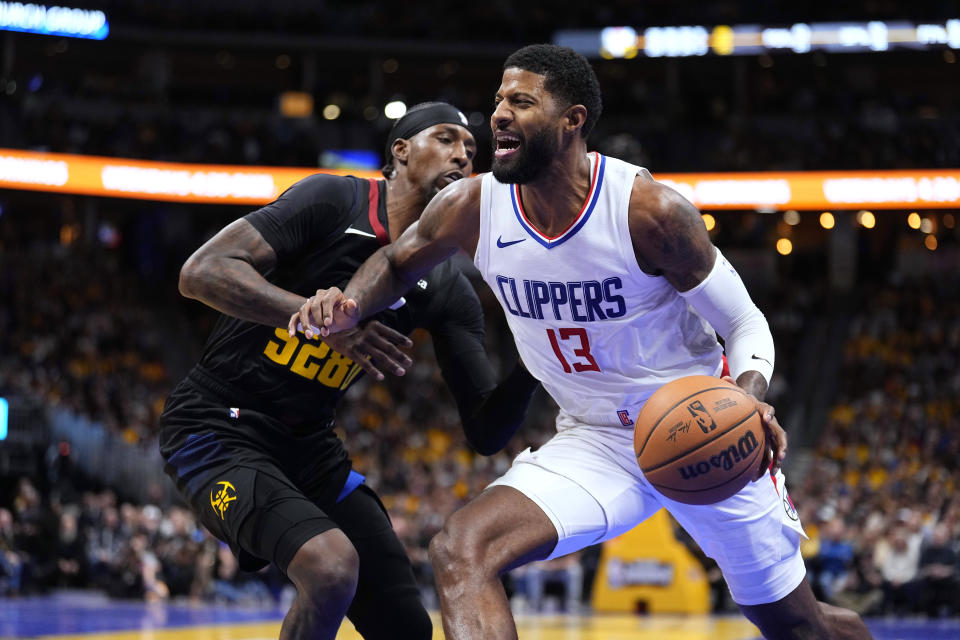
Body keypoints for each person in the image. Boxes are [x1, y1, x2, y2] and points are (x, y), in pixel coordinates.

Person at [297, 45, 873, 639]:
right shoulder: (472, 206)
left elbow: (746, 323)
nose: (497, 114)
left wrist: (749, 397)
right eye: (498, 99)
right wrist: (347, 308)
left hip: (702, 425)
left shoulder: (649, 211)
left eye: (521, 101)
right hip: (594, 437)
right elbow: (395, 263)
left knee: (796, 626)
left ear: (572, 119)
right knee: (461, 549)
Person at [159, 102, 539, 640]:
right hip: (216, 425)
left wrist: (538, 359)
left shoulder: (450, 284)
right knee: (330, 567)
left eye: (472, 151)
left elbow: (485, 431)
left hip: (309, 448)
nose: (463, 154)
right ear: (400, 151)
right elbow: (201, 272)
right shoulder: (335, 200)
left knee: (407, 628)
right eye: (448, 139)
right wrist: (314, 319)